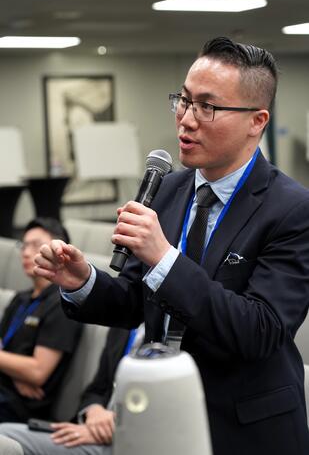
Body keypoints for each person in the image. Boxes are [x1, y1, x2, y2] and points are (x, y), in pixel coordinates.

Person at [33, 37, 309, 455]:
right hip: (155, 411)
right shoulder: (168, 189)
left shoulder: (291, 208)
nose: (186, 119)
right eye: (182, 100)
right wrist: (82, 281)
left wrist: (164, 257)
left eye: (207, 106)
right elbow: (133, 303)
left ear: (257, 120)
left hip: (244, 428)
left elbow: (260, 331)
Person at [0, 326, 142, 455]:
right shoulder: (123, 327)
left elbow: (37, 373)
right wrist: (94, 410)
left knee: (4, 437)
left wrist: (114, 427)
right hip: (93, 428)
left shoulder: (161, 333)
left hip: (128, 441)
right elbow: (96, 390)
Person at [0, 217, 82, 423]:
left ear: (60, 252)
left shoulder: (63, 304)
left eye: (36, 245)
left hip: (20, 409)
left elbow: (37, 372)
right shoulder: (21, 299)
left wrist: (17, 370)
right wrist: (16, 373)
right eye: (24, 245)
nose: (26, 253)